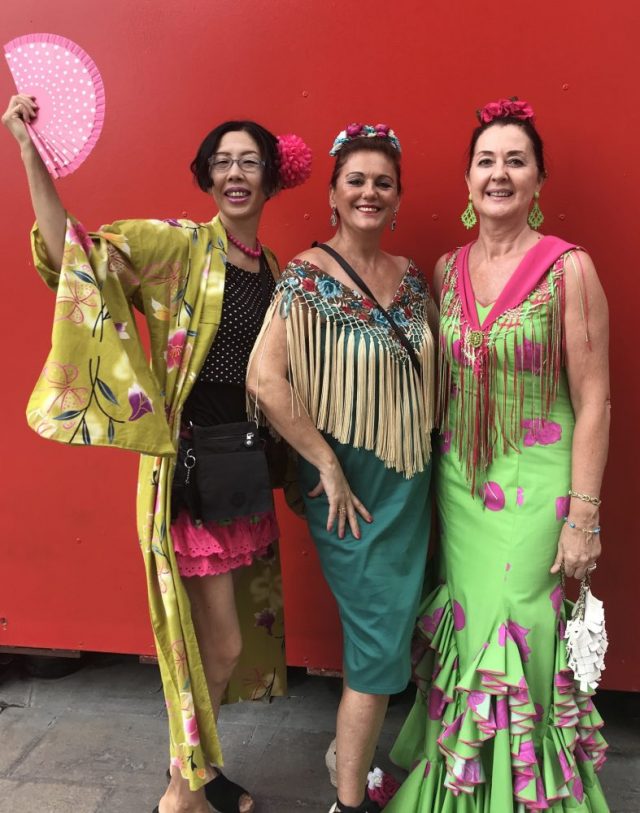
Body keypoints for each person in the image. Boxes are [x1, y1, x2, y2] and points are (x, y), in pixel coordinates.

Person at [2, 93, 311, 813]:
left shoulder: (273, 267)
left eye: (250, 162)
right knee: (215, 645)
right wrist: (29, 155)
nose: (235, 174)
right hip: (192, 477)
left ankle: (197, 773)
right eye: (222, 162)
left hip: (241, 473)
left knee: (219, 646)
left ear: (271, 178)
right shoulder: (178, 246)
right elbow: (77, 254)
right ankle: (180, 793)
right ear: (207, 176)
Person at [387, 98, 610, 811]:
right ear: (467, 180)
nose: (499, 174)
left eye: (516, 160)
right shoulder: (446, 269)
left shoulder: (569, 269)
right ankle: (461, 786)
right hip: (460, 485)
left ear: (539, 179)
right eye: (486, 161)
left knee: (517, 622)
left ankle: (525, 795)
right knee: (470, 620)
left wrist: (583, 516)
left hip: (538, 489)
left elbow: (595, 399)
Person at [247, 123, 436, 813]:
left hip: (415, 482)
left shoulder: (411, 277)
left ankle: (349, 756)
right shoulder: (305, 277)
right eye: (355, 180)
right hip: (351, 492)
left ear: (398, 198)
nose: (369, 192)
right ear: (332, 193)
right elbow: (265, 379)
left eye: (383, 182)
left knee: (403, 628)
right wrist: (324, 462)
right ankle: (349, 802)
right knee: (378, 643)